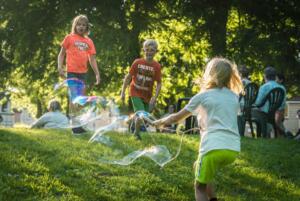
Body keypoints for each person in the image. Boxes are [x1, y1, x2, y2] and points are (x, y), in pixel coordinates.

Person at [153, 57, 243, 201]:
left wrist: (158, 122)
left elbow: (176, 118)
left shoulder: (202, 96)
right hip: (232, 149)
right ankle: (213, 199)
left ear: (210, 74)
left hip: (212, 147)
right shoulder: (233, 97)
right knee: (200, 167)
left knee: (199, 187)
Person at [57, 15, 100, 134]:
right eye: (79, 24)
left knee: (81, 100)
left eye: (83, 25)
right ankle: (75, 127)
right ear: (75, 26)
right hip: (71, 73)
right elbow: (61, 54)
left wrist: (97, 74)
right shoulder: (69, 38)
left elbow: (92, 59)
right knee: (74, 97)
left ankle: (78, 124)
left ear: (87, 27)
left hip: (83, 74)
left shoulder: (89, 41)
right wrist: (60, 67)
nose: (81, 27)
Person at [120, 39, 162, 140]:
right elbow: (128, 77)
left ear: (156, 52)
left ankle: (132, 122)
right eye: (147, 50)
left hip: (147, 95)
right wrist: (122, 92)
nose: (149, 52)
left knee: (144, 118)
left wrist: (154, 98)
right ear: (144, 50)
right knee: (141, 113)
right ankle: (136, 133)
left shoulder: (156, 66)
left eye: (152, 50)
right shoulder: (137, 62)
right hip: (135, 92)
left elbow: (159, 83)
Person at [252, 67, 286, 137]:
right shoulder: (282, 88)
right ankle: (271, 134)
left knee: (244, 114)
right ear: (275, 76)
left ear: (265, 76)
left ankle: (260, 135)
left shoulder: (264, 87)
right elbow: (282, 105)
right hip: (275, 114)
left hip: (264, 114)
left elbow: (258, 103)